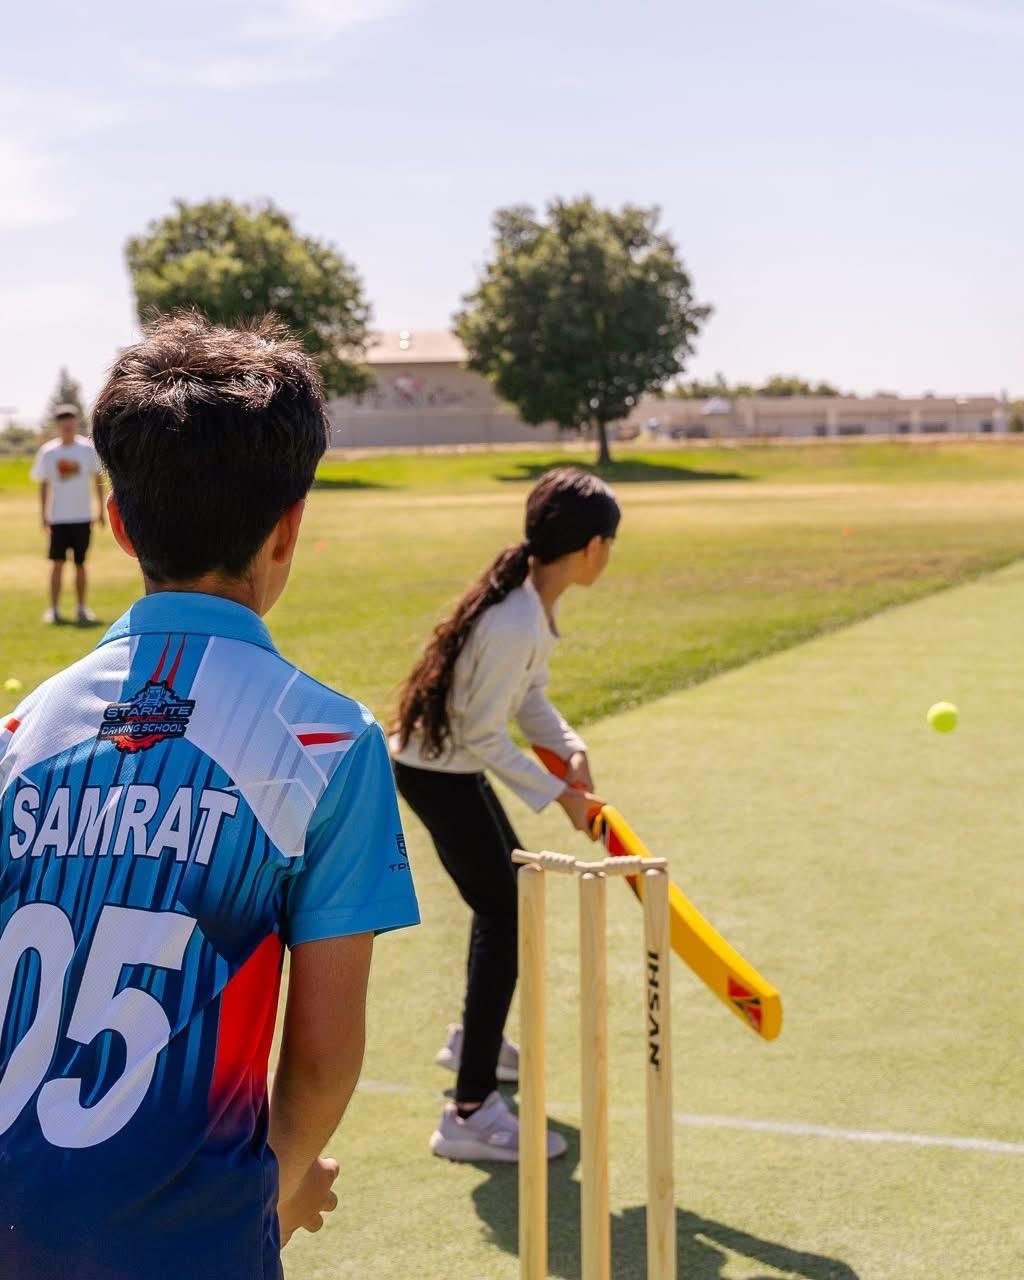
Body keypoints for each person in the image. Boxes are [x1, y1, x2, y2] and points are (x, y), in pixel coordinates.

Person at [0, 314, 419, 1280]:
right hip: (189, 1244)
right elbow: (323, 1060)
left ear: (116, 522)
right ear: (289, 527)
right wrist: (272, 1187)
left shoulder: (20, 734)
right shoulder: (327, 740)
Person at [391, 467, 620, 1162]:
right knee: (507, 911)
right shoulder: (516, 618)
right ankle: (468, 1111)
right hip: (438, 774)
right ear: (591, 548)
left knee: (509, 900)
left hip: (448, 766)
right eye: (609, 544)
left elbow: (529, 698)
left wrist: (569, 749)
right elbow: (484, 735)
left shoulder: (532, 606)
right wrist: (562, 797)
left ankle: (477, 1042)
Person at [30, 404, 106, 624]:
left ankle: (82, 608)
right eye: (63, 419)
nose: (67, 423)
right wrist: (43, 515)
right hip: (59, 518)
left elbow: (98, 479)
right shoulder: (49, 452)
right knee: (57, 563)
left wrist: (100, 511)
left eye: (71, 418)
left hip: (82, 517)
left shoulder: (87, 449)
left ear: (76, 422)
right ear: (57, 424)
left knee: (80, 564)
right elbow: (44, 484)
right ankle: (53, 609)